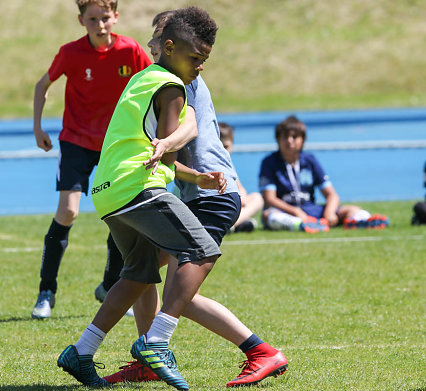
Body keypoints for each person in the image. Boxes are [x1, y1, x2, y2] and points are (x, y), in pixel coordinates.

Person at [100, 10, 288, 388]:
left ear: (172, 44)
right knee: (145, 274)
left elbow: (187, 129)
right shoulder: (169, 76)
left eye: (157, 37)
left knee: (179, 290)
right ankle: (149, 355)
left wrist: (166, 149)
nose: (152, 45)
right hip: (196, 192)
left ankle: (259, 351)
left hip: (213, 195)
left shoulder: (179, 77)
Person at [57, 7, 222, 390]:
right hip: (138, 188)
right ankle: (157, 341)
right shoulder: (172, 87)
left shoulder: (142, 77)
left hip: (108, 193)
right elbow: (164, 151)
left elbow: (149, 148)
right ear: (169, 47)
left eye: (205, 61)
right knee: (202, 251)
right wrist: (173, 146)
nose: (199, 68)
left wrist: (196, 176)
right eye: (195, 58)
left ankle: (81, 351)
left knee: (137, 275)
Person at [31, 0, 152, 319]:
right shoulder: (70, 53)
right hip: (75, 141)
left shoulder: (131, 51)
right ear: (81, 20)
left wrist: (152, 133)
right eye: (92, 18)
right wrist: (37, 127)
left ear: (116, 17)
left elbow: (151, 87)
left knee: (120, 213)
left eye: (105, 18)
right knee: (69, 212)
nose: (100, 24)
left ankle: (109, 285)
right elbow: (43, 84)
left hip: (116, 144)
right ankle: (46, 291)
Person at [259, 115, 389, 232]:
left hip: (310, 209)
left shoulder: (310, 160)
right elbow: (270, 199)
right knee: (268, 215)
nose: (289, 141)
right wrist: (295, 211)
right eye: (285, 137)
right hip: (288, 211)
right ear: (277, 139)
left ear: (303, 140)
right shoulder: (269, 162)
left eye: (294, 137)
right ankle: (299, 225)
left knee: (352, 209)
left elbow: (332, 195)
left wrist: (329, 212)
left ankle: (361, 221)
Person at [219, 121, 264, 232]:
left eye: (226, 146)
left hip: (229, 207)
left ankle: (232, 224)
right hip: (214, 207)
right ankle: (231, 225)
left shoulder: (229, 163)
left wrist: (242, 197)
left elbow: (240, 187)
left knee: (257, 198)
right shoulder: (209, 162)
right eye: (219, 147)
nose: (223, 151)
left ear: (232, 145)